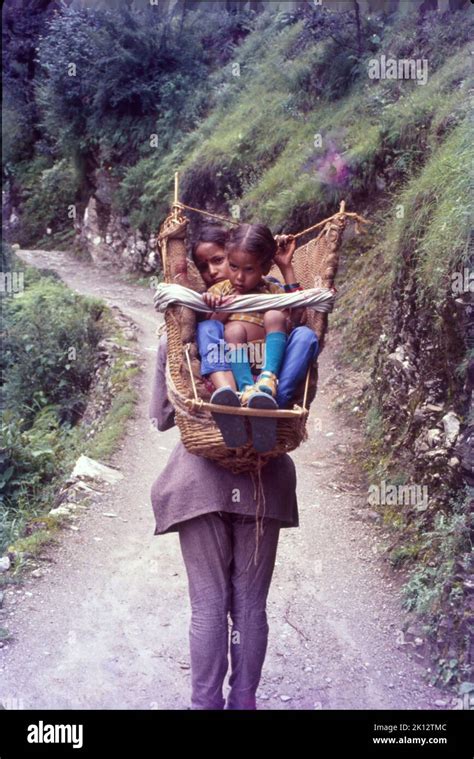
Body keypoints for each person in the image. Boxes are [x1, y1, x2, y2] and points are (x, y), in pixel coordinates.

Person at [149, 330, 299, 710]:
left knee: (208, 606)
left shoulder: (178, 332)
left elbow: (163, 417)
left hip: (199, 484)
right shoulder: (280, 327)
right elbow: (295, 416)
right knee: (250, 606)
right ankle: (244, 700)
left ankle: (205, 704)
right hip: (263, 482)